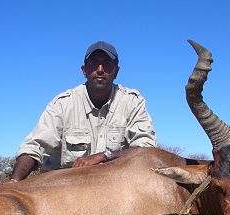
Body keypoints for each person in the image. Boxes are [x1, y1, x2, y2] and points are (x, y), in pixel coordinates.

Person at [10, 41, 156, 182]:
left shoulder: (132, 102)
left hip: (115, 186)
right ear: (84, 70)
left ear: (116, 71)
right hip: (65, 188)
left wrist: (106, 155)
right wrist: (15, 181)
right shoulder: (62, 104)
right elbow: (35, 146)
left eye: (107, 64)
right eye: (94, 64)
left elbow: (146, 150)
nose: (100, 69)